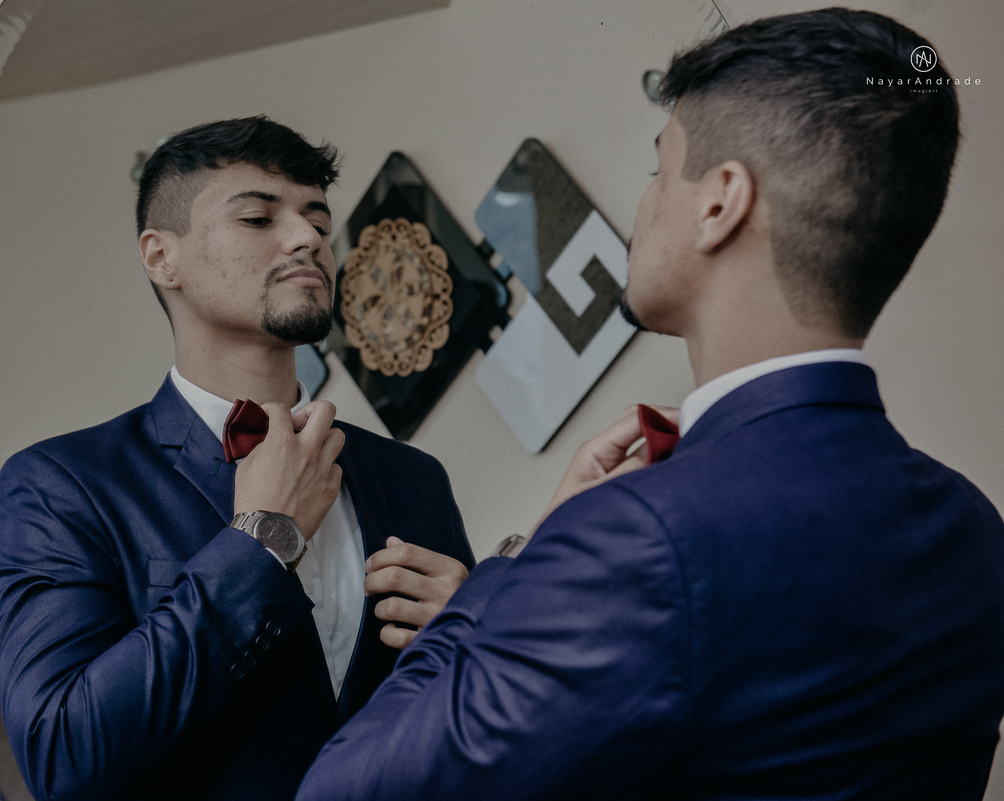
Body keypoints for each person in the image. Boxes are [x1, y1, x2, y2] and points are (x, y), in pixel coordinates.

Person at [297, 9, 1004, 800]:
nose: (645, 205)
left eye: (657, 170)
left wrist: (515, 569)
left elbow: (344, 790)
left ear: (720, 202)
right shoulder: (974, 526)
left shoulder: (637, 536)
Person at [0, 116, 475, 801]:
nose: (308, 237)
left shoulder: (414, 480)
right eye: (258, 217)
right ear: (162, 257)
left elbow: (482, 733)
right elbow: (64, 757)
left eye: (317, 217)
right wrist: (262, 541)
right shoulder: (62, 486)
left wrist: (484, 624)